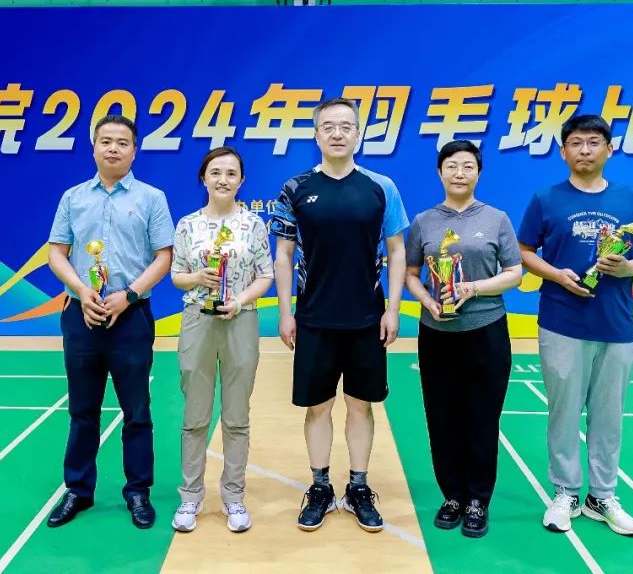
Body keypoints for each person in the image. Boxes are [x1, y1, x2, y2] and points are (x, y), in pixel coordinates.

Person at [517, 114, 633, 537]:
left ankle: (602, 496)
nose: (585, 150)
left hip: (616, 326)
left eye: (594, 142)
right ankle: (565, 492)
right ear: (563, 151)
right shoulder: (545, 199)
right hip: (562, 322)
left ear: (609, 149)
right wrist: (557, 275)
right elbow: (524, 250)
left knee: (608, 416)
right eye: (576, 143)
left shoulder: (630, 201)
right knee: (563, 413)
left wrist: (629, 267)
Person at [270, 97, 408, 533]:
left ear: (358, 134)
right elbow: (283, 255)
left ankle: (359, 487)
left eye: (346, 126)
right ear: (316, 135)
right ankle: (320, 487)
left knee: (361, 406)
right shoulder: (295, 187)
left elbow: (397, 251)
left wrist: (392, 309)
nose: (337, 133)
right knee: (318, 408)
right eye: (328, 126)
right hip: (313, 318)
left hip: (367, 318)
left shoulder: (381, 187)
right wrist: (286, 313)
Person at [45, 115, 174, 530]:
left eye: (122, 142)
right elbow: (56, 252)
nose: (113, 148)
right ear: (94, 147)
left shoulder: (152, 198)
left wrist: (129, 295)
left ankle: (138, 492)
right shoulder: (73, 198)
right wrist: (82, 292)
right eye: (105, 141)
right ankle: (78, 490)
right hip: (81, 315)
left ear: (134, 150)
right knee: (82, 410)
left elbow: (164, 257)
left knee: (136, 411)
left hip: (131, 317)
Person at [404, 140, 522, 539]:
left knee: (482, 418)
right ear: (440, 173)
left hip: (486, 330)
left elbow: (514, 273)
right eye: (452, 166)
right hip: (437, 333)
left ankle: (477, 500)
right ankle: (452, 496)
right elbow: (411, 274)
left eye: (468, 166)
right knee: (442, 417)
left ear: (479, 173)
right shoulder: (424, 221)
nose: (459, 173)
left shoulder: (496, 218)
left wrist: (473, 288)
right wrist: (427, 302)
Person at [169, 146, 273, 534]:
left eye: (231, 173)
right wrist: (199, 278)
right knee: (195, 415)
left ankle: (233, 496)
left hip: (240, 320)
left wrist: (240, 300)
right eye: (215, 172)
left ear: (241, 180)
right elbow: (177, 275)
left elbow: (265, 275)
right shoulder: (188, 225)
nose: (223, 180)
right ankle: (191, 495)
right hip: (198, 319)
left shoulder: (253, 225)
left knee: (236, 416)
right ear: (204, 178)